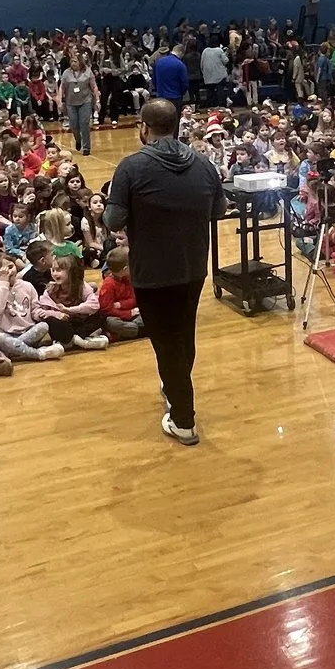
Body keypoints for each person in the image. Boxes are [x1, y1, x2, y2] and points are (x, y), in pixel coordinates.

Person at [102, 96, 224, 446]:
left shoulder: (131, 167)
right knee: (183, 333)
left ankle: (184, 419)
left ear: (144, 127)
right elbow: (218, 210)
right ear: (177, 125)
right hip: (193, 266)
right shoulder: (204, 164)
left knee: (166, 342)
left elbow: (113, 220)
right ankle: (174, 390)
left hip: (152, 271)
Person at [60, 51, 98, 156]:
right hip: (71, 102)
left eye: (75, 61)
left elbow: (94, 86)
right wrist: (59, 100)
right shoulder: (66, 73)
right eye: (71, 61)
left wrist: (97, 99)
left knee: (84, 124)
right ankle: (78, 139)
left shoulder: (88, 71)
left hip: (85, 101)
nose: (73, 63)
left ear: (80, 62)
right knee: (74, 125)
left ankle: (86, 148)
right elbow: (61, 88)